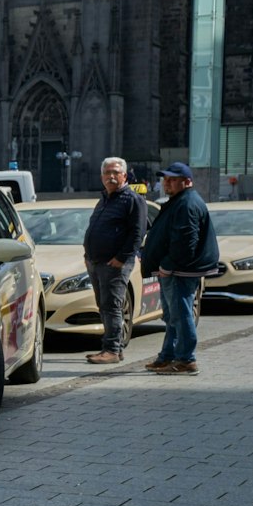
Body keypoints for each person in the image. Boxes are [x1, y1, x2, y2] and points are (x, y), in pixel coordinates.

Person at [141, 161, 220, 375]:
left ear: (187, 182)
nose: (167, 183)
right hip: (176, 270)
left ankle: (186, 359)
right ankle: (168, 356)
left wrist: (168, 265)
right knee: (173, 315)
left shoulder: (187, 203)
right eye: (165, 179)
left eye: (173, 179)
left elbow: (186, 242)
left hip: (179, 271)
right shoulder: (180, 200)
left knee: (180, 314)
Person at [80, 156, 145, 364]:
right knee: (104, 305)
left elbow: (137, 233)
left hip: (114, 264)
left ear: (124, 175)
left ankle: (112, 350)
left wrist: (121, 258)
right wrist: (87, 256)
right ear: (102, 177)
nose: (111, 176)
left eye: (115, 172)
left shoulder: (132, 199)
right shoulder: (105, 199)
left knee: (112, 306)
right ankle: (112, 347)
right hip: (96, 263)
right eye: (107, 173)